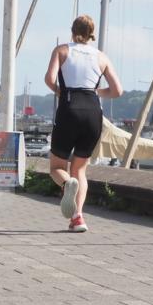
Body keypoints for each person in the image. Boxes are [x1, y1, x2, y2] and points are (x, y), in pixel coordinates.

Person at [44, 15, 123, 232]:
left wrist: (63, 93)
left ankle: (66, 184)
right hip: (93, 112)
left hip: (70, 108)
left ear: (72, 30)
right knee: (80, 170)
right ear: (92, 34)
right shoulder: (101, 57)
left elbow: (49, 79)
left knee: (57, 167)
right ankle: (78, 218)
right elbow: (117, 91)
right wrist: (96, 92)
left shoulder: (61, 50)